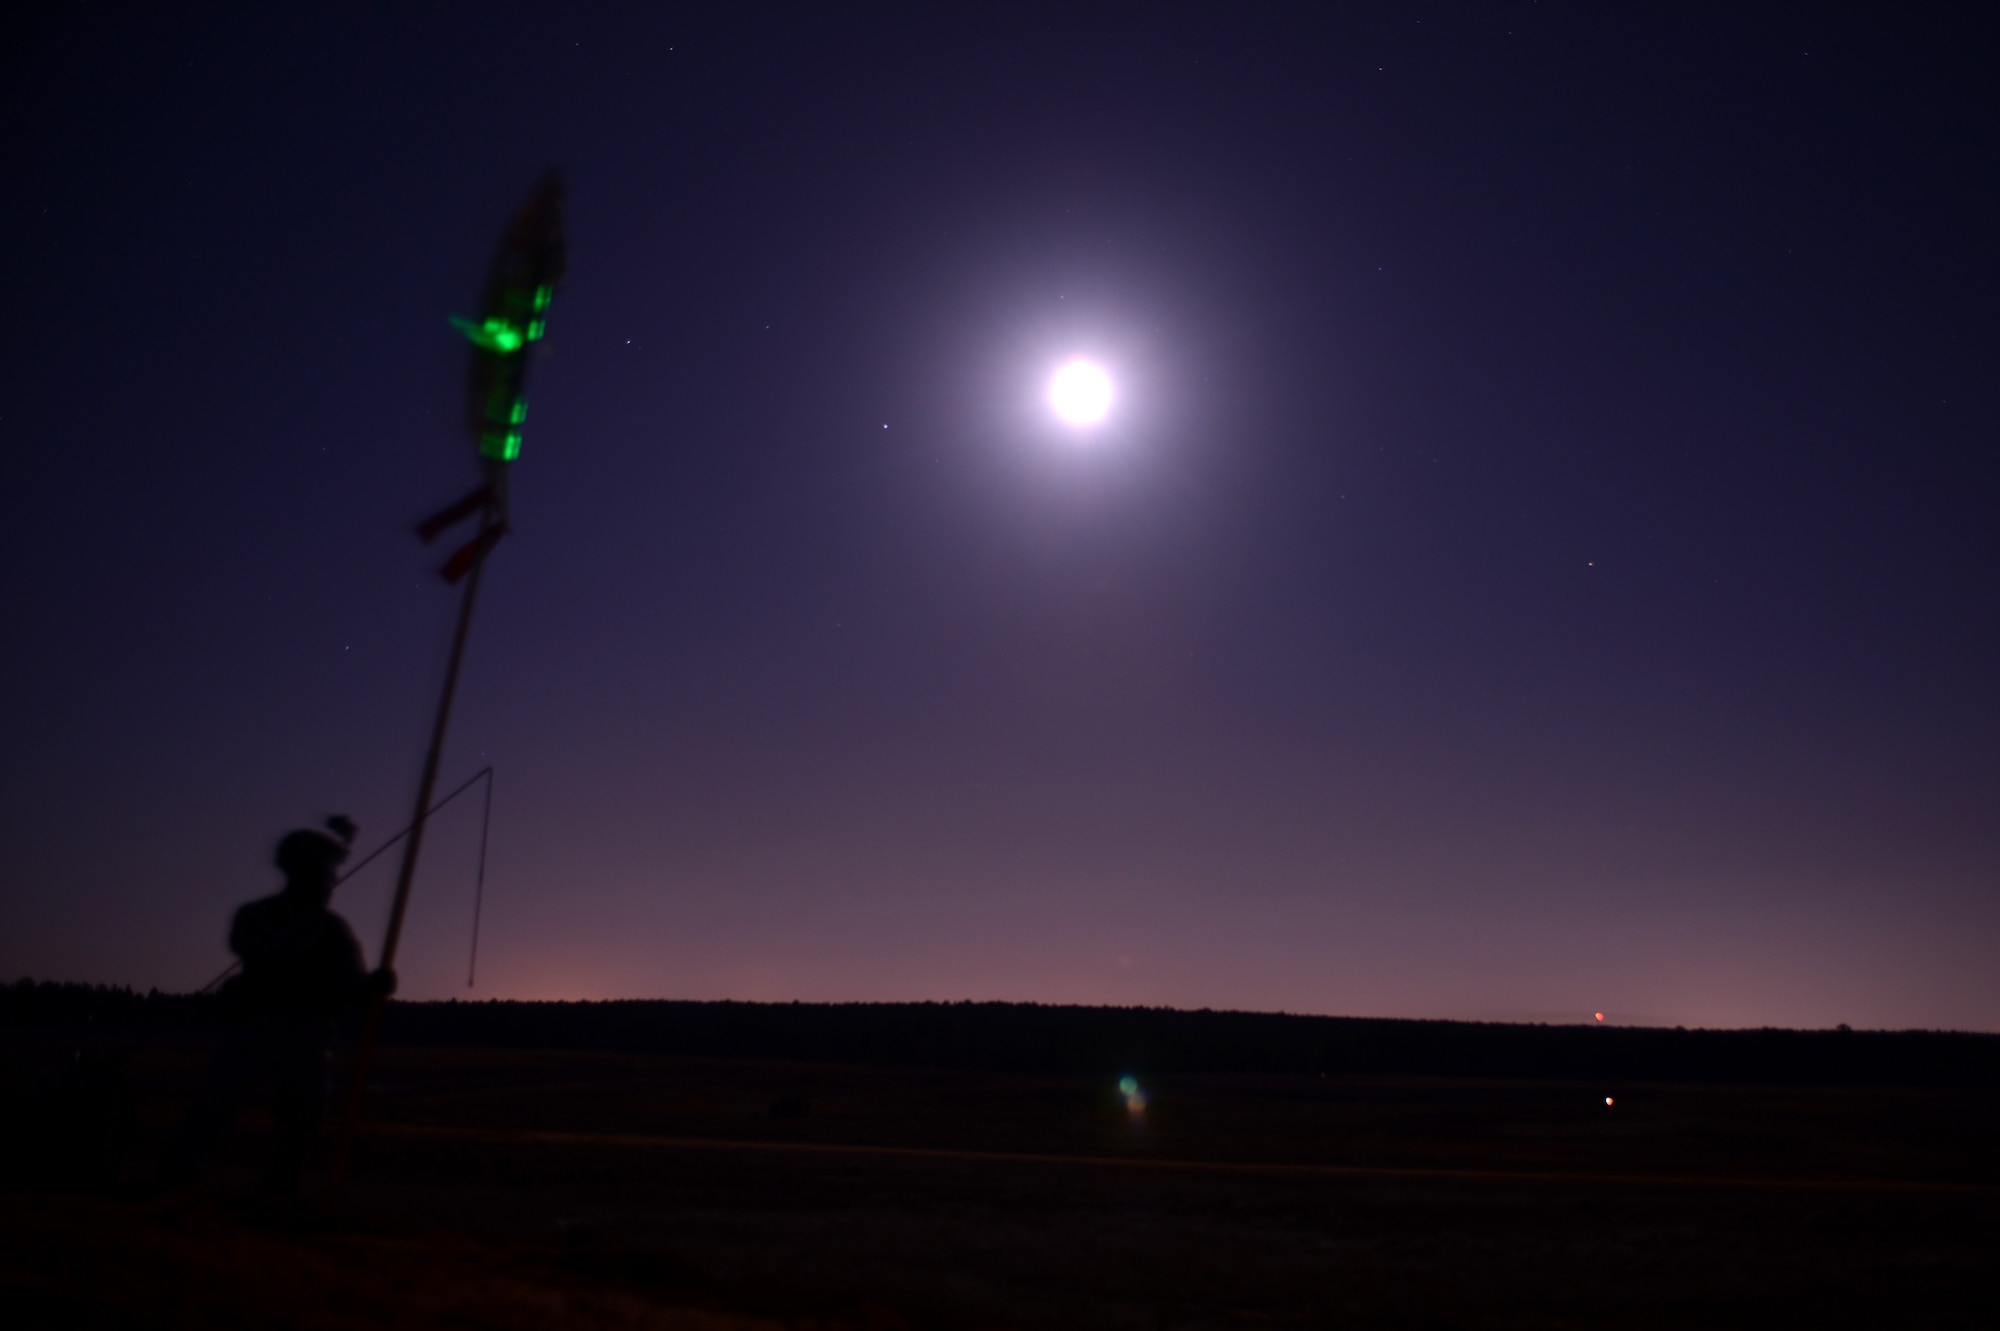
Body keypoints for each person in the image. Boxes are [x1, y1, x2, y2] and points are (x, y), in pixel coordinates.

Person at [159, 817, 393, 1199]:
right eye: (322, 871)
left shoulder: (334, 931)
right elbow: (252, 948)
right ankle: (173, 1181)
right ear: (298, 871)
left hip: (307, 1039)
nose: (331, 880)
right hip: (255, 1030)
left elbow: (352, 987)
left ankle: (278, 1196)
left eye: (330, 871)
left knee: (300, 1122)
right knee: (214, 1108)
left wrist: (374, 988)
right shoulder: (257, 916)